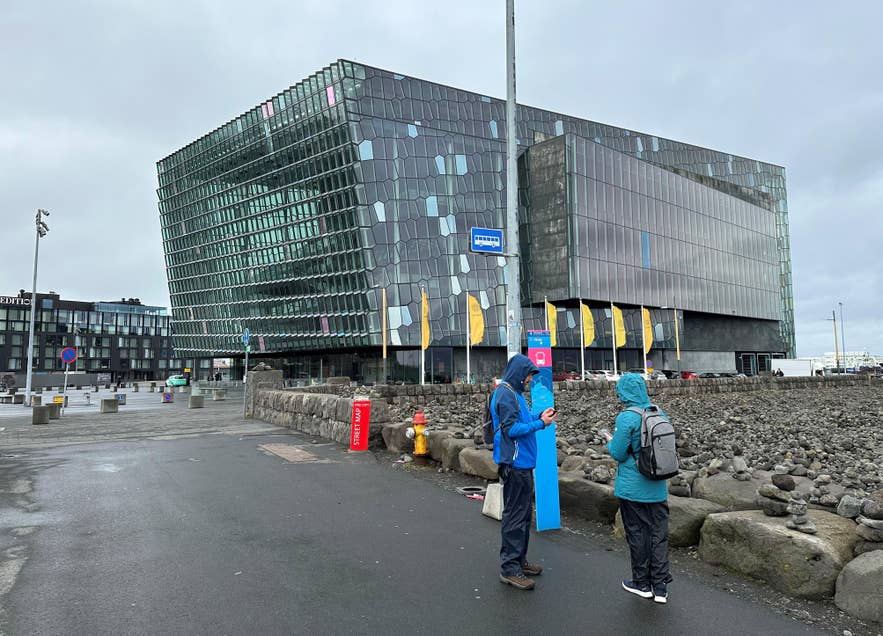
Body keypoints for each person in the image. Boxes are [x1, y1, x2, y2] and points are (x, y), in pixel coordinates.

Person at [601, 373, 672, 604]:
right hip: (658, 487)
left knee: (638, 534)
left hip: (633, 489)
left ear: (623, 393)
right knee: (658, 536)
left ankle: (642, 584)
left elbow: (618, 452)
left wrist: (609, 441)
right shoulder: (659, 412)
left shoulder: (626, 418)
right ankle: (660, 587)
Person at [492, 353, 556, 591]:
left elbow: (522, 422)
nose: (530, 379)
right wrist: (541, 424)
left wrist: (540, 416)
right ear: (520, 372)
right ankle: (510, 568)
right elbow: (511, 429)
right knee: (515, 517)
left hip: (523, 464)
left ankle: (518, 561)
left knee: (522, 516)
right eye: (529, 374)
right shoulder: (507, 394)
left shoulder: (514, 393)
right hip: (516, 465)